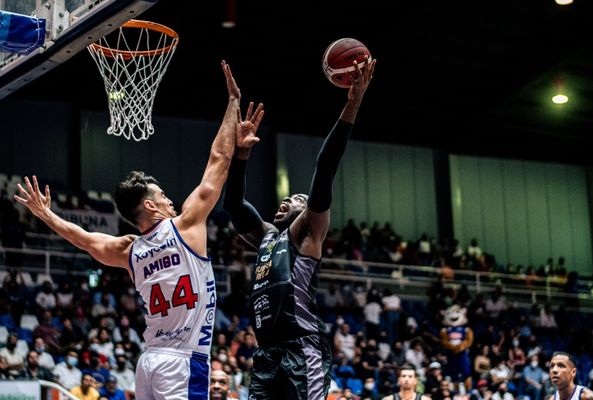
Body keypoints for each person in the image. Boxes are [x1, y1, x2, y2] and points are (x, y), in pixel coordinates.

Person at [14, 60, 243, 400]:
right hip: (183, 361)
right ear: (150, 206)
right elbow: (219, 159)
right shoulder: (186, 227)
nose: (170, 201)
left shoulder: (130, 251)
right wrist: (233, 104)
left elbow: (83, 239)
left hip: (148, 361)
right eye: (163, 196)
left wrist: (47, 215)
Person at [223, 55, 375, 400]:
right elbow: (232, 204)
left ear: (307, 210)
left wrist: (351, 107)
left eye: (295, 198)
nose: (286, 200)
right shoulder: (266, 236)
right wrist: (241, 155)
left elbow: (324, 169)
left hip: (301, 348)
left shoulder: (307, 231)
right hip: (266, 354)